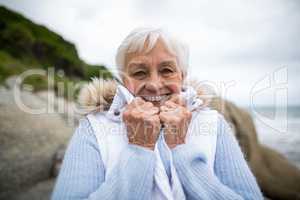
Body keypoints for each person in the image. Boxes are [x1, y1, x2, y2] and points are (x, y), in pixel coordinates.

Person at [51, 27, 264, 200]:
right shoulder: (94, 127)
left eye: (167, 70)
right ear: (125, 81)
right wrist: (139, 149)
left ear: (182, 75)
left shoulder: (213, 123)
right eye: (140, 72)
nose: (154, 84)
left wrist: (181, 149)